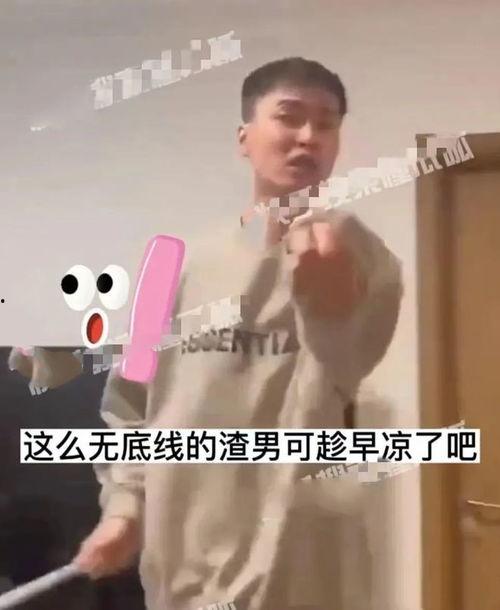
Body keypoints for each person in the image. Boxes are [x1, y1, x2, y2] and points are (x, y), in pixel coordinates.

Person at [22, 57, 403, 610]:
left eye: (326, 124)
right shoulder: (166, 268)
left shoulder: (363, 260)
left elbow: (346, 357)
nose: (308, 136)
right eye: (289, 116)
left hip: (300, 567)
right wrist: (125, 509)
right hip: (183, 563)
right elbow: (130, 404)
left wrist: (331, 302)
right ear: (245, 137)